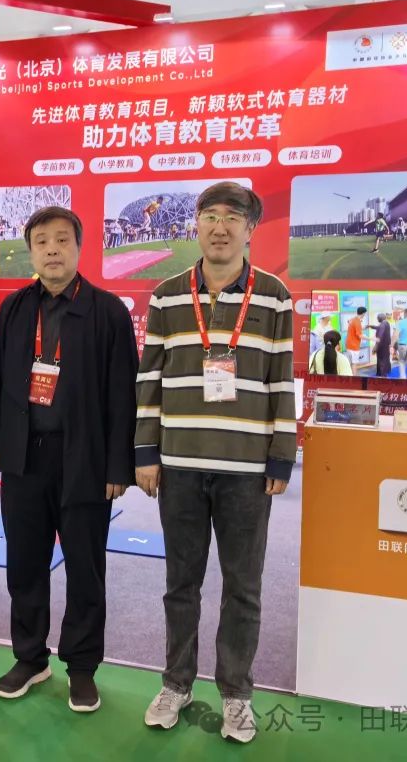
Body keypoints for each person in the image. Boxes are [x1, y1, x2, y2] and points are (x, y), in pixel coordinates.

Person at [135, 182, 295, 745]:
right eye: (209, 216)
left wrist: (281, 455)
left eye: (232, 217)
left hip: (246, 470)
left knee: (243, 587)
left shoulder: (274, 296)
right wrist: (146, 452)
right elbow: (149, 379)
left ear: (250, 229)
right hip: (179, 465)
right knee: (181, 584)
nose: (220, 227)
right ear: (196, 225)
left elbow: (282, 380)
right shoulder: (166, 296)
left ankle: (236, 694)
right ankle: (176, 683)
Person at [0, 206, 138, 713]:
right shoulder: (14, 308)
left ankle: (82, 667)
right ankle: (30, 657)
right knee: (25, 563)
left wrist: (118, 467)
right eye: (42, 241)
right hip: (24, 457)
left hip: (85, 459)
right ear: (30, 251)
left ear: (79, 247)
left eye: (62, 240)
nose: (51, 249)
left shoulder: (107, 311)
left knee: (86, 568)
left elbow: (123, 396)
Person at [371, 312, 392, 377]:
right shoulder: (386, 323)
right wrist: (371, 326)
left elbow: (379, 338)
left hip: (381, 346)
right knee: (386, 358)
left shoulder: (382, 325)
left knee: (381, 360)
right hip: (386, 345)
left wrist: (375, 347)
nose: (377, 319)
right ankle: (386, 371)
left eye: (378, 318)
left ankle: (382, 375)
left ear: (380, 318)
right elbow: (379, 327)